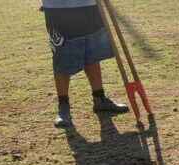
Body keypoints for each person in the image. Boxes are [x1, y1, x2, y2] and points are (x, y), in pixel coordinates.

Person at [41, 0, 129, 128]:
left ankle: (99, 99)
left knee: (92, 50)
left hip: (89, 6)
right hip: (58, 8)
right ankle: (63, 106)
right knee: (63, 55)